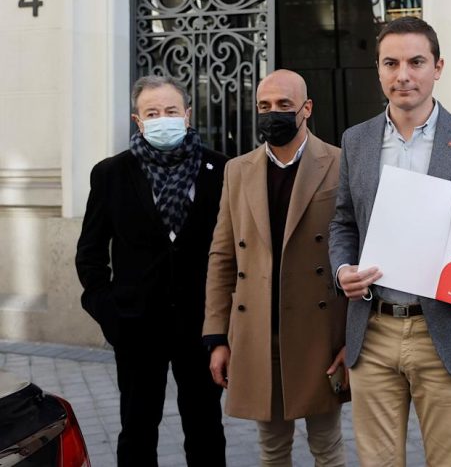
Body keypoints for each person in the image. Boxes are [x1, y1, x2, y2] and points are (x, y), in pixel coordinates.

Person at [328, 16, 451, 466]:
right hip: (372, 330)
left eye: (416, 62)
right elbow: (343, 223)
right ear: (378, 70)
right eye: (390, 63)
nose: (403, 75)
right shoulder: (356, 141)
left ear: (438, 67)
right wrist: (343, 272)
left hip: (446, 331)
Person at [75, 76, 227, 467]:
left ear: (188, 116)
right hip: (137, 327)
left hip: (202, 328)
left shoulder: (223, 171)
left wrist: (226, 320)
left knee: (206, 429)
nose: (163, 119)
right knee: (138, 430)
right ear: (137, 121)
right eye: (152, 113)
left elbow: (236, 252)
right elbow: (90, 254)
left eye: (171, 111)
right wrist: (109, 311)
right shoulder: (111, 174)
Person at [203, 70, 349, 467]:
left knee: (327, 447)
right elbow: (222, 257)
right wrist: (217, 336)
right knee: (271, 449)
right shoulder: (238, 170)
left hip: (319, 333)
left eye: (284, 105)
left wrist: (353, 340)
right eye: (265, 106)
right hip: (258, 332)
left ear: (306, 108)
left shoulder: (339, 162)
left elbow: (359, 250)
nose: (273, 113)